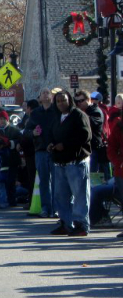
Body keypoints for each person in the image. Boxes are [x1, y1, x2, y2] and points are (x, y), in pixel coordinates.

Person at [48, 90, 92, 236]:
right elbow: (51, 134)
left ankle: (81, 225)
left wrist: (65, 145)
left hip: (76, 162)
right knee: (61, 196)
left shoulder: (78, 115)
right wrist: (50, 144)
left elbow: (85, 135)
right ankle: (66, 224)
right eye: (58, 101)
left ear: (70, 101)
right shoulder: (56, 117)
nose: (61, 103)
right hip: (60, 163)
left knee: (79, 195)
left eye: (64, 100)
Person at [24, 89, 60, 217]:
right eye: (43, 93)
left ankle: (56, 209)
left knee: (57, 181)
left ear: (52, 96)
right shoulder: (35, 114)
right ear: (39, 98)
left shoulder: (56, 111)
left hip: (55, 150)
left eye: (47, 92)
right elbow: (26, 131)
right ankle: (45, 208)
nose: (45, 94)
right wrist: (33, 133)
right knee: (43, 181)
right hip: (40, 150)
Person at [0, 110, 22, 206]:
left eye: (3, 119)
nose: (2, 121)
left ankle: (11, 200)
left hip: (11, 160)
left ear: (7, 120)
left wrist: (10, 143)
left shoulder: (14, 130)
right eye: (0, 119)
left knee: (10, 181)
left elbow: (20, 141)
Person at [76, 91, 109, 182]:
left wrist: (79, 113)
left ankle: (96, 194)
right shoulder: (80, 112)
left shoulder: (95, 111)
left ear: (89, 100)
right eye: (77, 101)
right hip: (82, 150)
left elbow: (90, 124)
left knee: (93, 177)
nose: (79, 103)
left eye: (81, 100)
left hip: (94, 149)